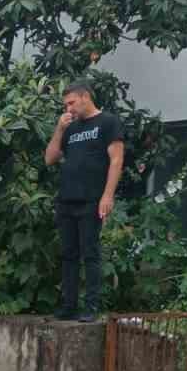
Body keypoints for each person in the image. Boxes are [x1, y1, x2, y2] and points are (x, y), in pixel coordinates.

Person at [44, 81, 124, 321]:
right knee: (68, 254)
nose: (68, 108)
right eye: (65, 104)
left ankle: (90, 307)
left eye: (71, 102)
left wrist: (107, 195)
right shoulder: (70, 128)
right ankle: (69, 306)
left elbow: (117, 160)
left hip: (92, 200)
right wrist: (59, 129)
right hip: (66, 199)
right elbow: (49, 159)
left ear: (85, 97)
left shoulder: (108, 122)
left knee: (90, 254)